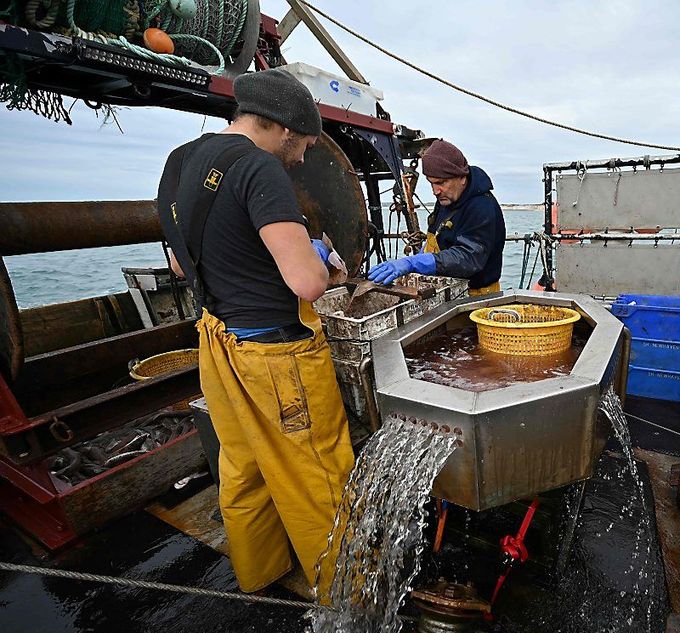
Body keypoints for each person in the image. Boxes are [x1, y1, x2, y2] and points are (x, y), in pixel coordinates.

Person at [155, 67, 353, 597]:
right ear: (286, 128)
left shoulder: (179, 162)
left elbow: (179, 266)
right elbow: (308, 284)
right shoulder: (259, 169)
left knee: (242, 467)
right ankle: (351, 594)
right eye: (307, 143)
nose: (305, 156)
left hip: (217, 343)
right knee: (318, 476)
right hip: (276, 356)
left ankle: (259, 571)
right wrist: (319, 256)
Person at [367, 140, 506, 296]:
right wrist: (419, 256)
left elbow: (469, 257)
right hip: (448, 288)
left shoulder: (482, 207)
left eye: (440, 183)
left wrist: (414, 263)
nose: (435, 191)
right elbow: (436, 235)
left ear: (462, 177)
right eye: (431, 183)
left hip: (478, 295)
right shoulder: (447, 198)